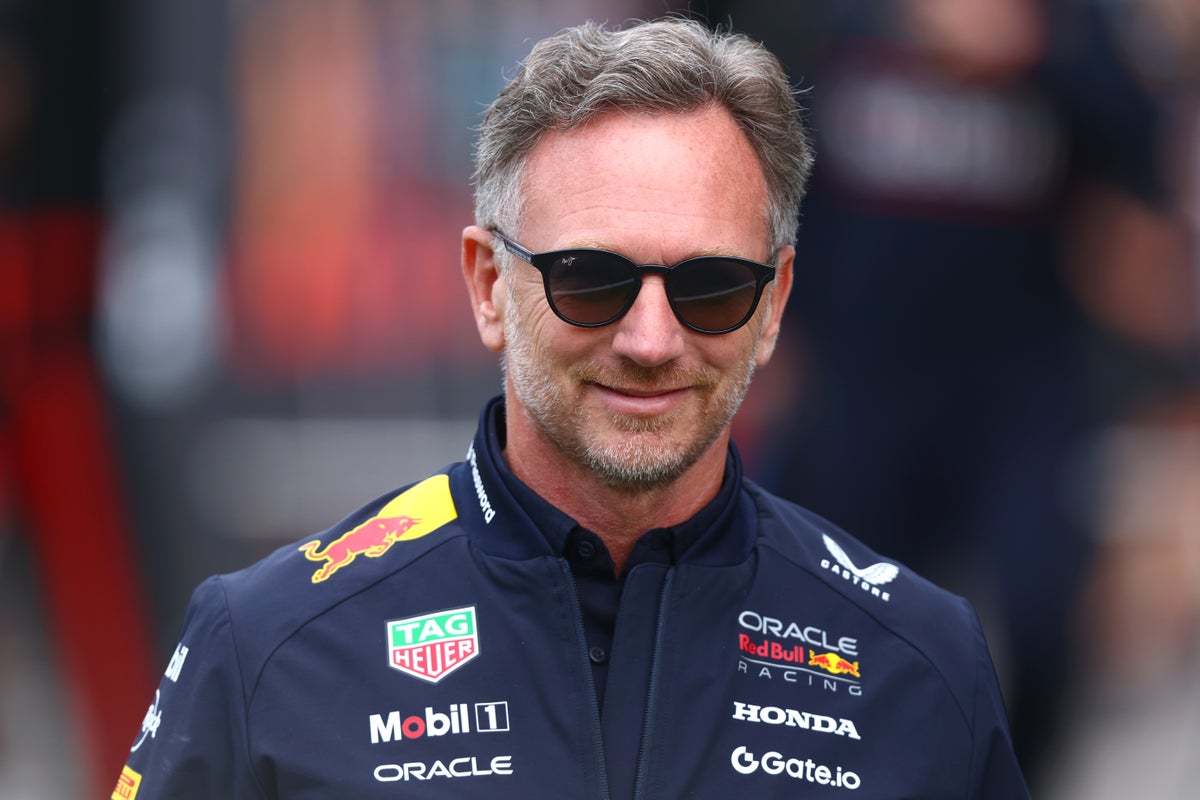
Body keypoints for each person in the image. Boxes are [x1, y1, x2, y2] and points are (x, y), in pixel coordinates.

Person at [113, 17, 1029, 799]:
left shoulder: (922, 662)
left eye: (712, 287)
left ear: (776, 302)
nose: (652, 339)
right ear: (487, 285)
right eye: (590, 279)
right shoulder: (267, 644)